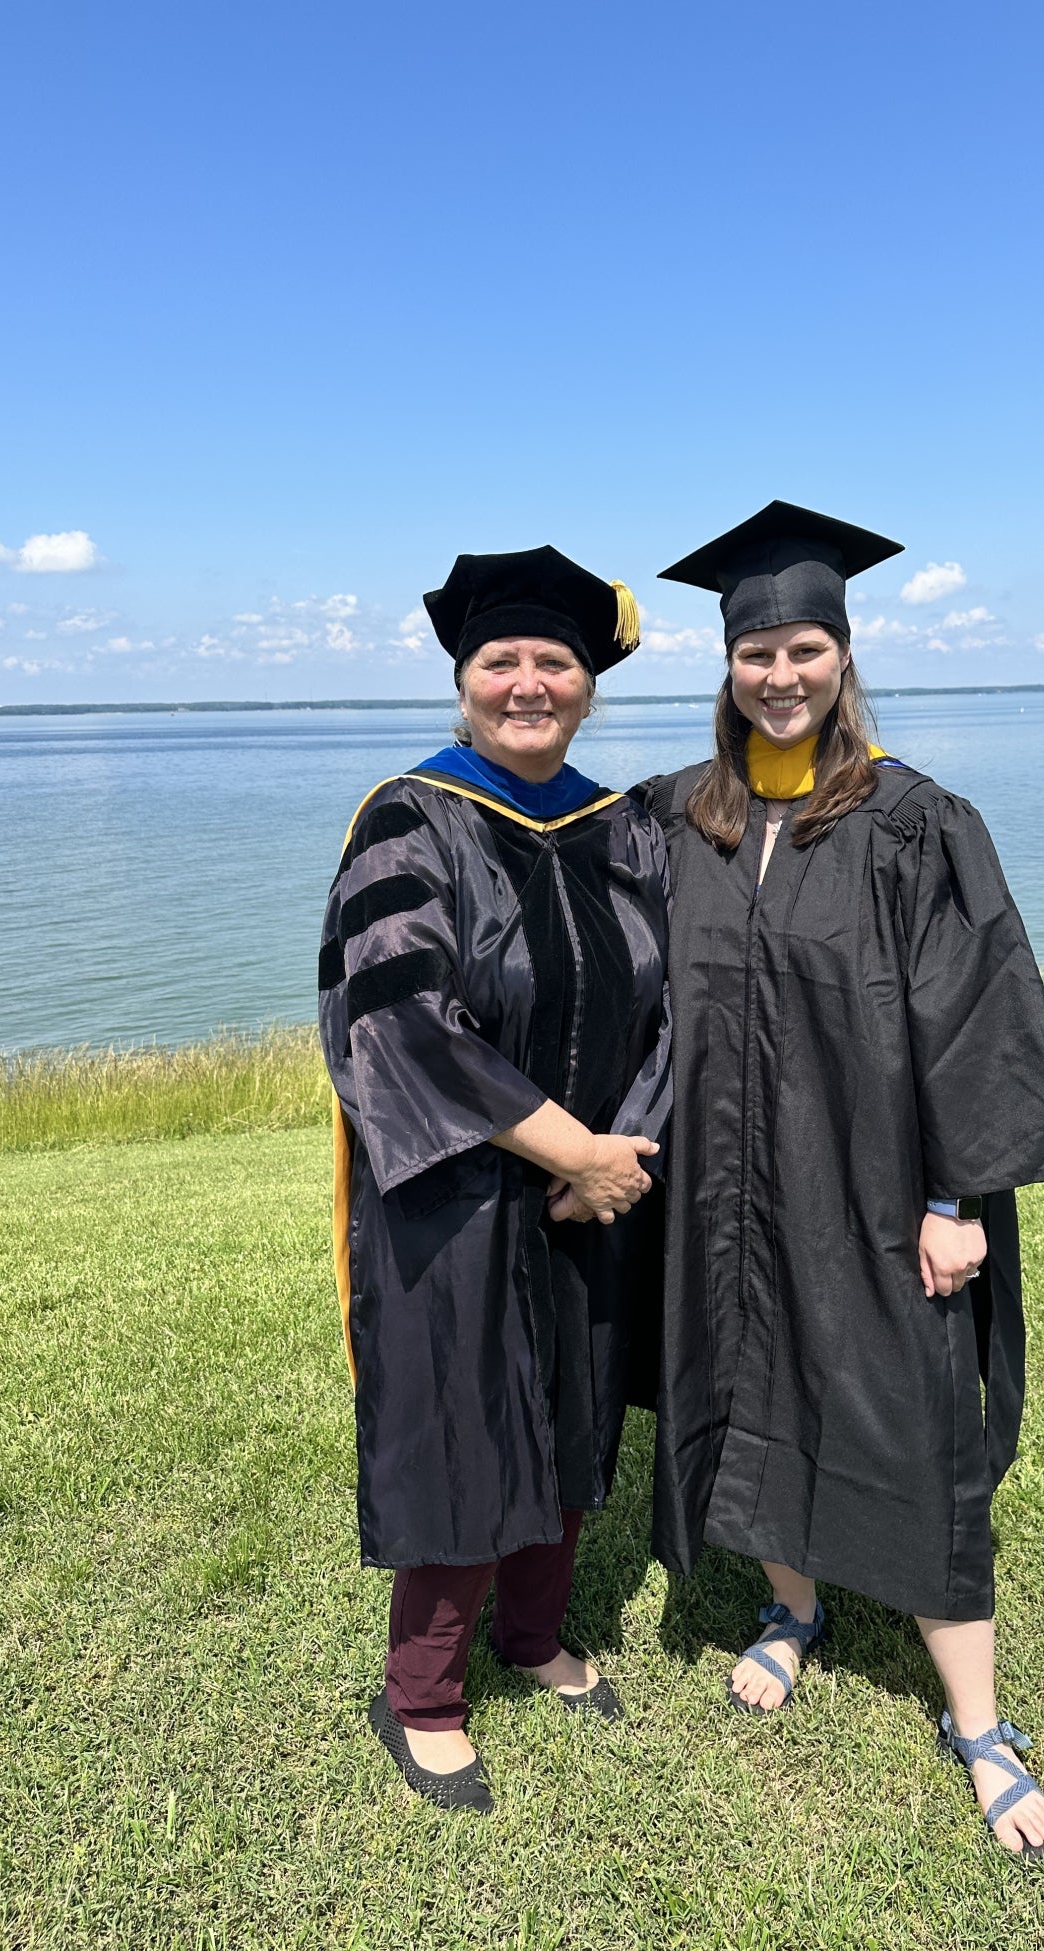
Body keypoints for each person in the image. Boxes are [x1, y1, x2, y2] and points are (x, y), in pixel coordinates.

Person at [640, 500, 1044, 1859]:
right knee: (742, 1383)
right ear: (726, 665)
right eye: (755, 652)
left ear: (844, 656)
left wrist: (955, 1205)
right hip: (725, 1191)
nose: (779, 675)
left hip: (877, 1184)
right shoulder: (682, 820)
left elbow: (977, 1011)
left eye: (804, 649)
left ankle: (978, 1724)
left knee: (914, 1425)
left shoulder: (912, 822)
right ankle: (795, 1607)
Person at [319, 546, 670, 1814]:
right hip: (453, 1196)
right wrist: (564, 1147)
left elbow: (675, 1008)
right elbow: (399, 1019)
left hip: (593, 1193)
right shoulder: (410, 818)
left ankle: (533, 1634)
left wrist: (616, 1157)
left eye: (555, 663)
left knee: (571, 1413)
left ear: (590, 684)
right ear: (465, 681)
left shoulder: (620, 821)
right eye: (501, 662)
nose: (528, 683)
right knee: (464, 1427)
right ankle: (420, 1693)